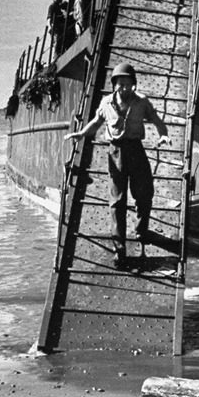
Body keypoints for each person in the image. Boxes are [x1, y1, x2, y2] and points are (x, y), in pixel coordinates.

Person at [66, 62, 170, 269]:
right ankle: (119, 248)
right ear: (114, 85)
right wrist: (81, 134)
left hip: (136, 151)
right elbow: (96, 123)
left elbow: (157, 120)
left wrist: (164, 135)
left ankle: (141, 229)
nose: (123, 88)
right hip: (115, 153)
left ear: (134, 84)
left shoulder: (142, 102)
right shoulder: (106, 103)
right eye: (119, 84)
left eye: (127, 84)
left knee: (145, 193)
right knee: (117, 201)